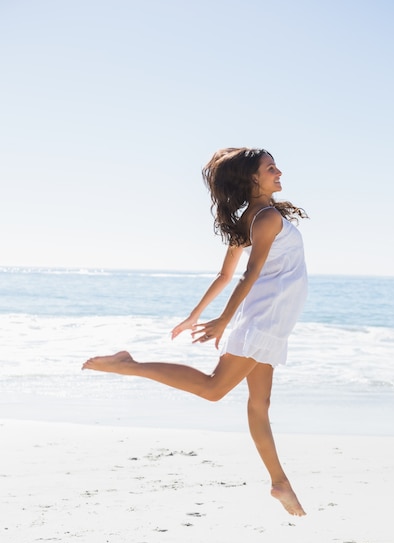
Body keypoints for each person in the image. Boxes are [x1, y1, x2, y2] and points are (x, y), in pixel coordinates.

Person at [82, 147, 309, 516]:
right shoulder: (265, 217)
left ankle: (279, 482)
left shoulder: (253, 217)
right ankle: (129, 364)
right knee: (213, 388)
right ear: (253, 177)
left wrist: (195, 316)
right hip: (266, 317)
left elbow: (224, 276)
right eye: (270, 168)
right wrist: (219, 320)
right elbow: (247, 276)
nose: (278, 171)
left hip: (273, 317)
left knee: (259, 404)